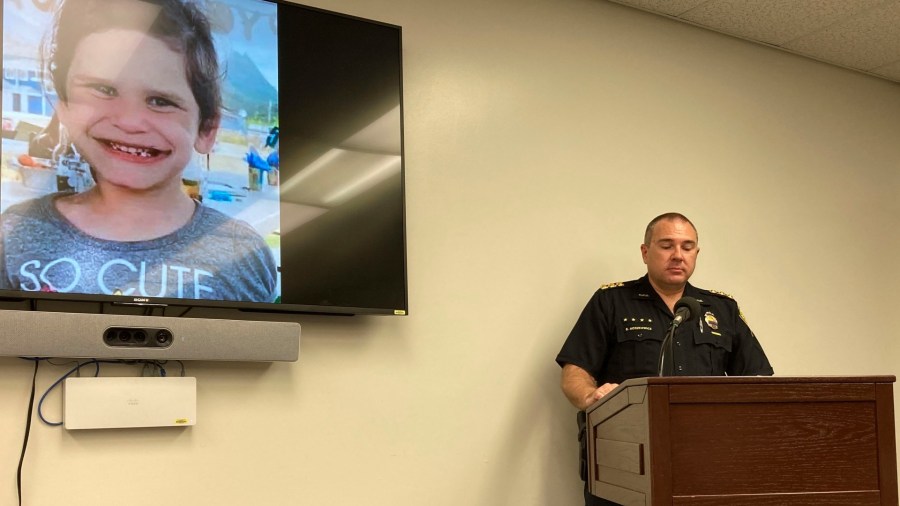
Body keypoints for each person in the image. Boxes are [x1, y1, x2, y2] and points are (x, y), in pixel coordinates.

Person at [0, 0, 277, 302]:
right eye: (104, 90)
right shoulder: (15, 234)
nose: (129, 122)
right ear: (64, 106)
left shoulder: (241, 251)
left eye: (160, 101)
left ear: (206, 129)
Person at [556, 212, 773, 506]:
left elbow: (758, 381)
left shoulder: (721, 309)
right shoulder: (610, 301)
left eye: (687, 247)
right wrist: (592, 396)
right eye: (666, 245)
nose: (677, 255)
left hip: (703, 460)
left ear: (696, 253)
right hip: (626, 460)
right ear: (646, 252)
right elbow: (575, 371)